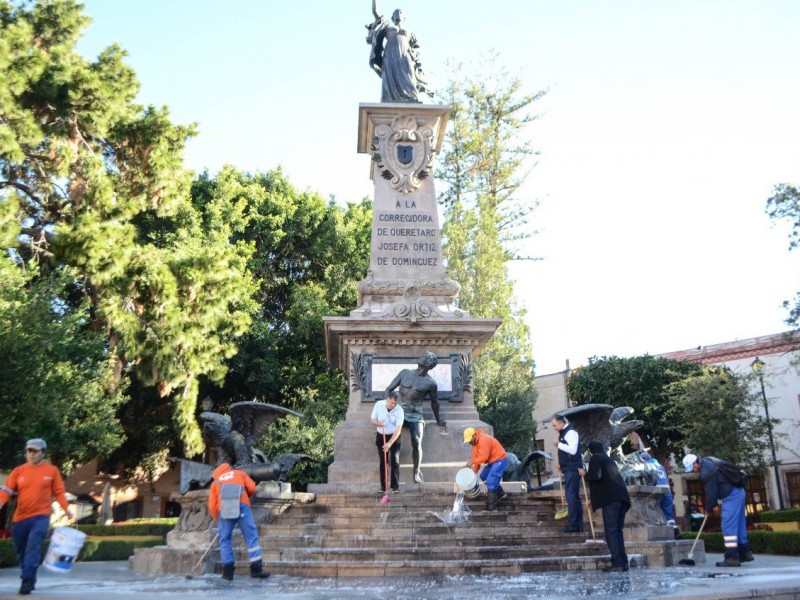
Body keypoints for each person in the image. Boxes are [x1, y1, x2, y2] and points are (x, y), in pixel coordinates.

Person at [0, 438, 74, 595]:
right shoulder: (18, 471)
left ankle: (26, 580)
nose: (31, 454)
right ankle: (30, 576)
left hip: (41, 517)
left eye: (35, 451)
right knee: (21, 549)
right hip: (20, 518)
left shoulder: (52, 471)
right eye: (28, 450)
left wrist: (66, 509)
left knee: (33, 546)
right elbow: (6, 490)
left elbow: (59, 492)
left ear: (43, 453)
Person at [385, 351, 447, 483]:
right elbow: (389, 389)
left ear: (428, 363)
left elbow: (434, 403)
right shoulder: (405, 373)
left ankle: (416, 472)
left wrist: (438, 420)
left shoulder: (431, 383)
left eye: (424, 356)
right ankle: (391, 467)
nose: (421, 356)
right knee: (393, 438)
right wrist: (386, 409)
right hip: (399, 411)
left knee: (417, 440)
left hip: (415, 413)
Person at [683, 453, 753, 567]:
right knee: (739, 524)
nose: (693, 471)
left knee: (728, 524)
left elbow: (712, 494)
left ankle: (731, 557)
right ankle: (745, 553)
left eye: (693, 467)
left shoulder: (706, 472)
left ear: (696, 462)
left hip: (731, 496)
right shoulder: (708, 460)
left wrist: (708, 508)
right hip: (739, 491)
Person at [208, 462, 270, 580]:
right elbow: (252, 487)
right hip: (242, 505)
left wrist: (219, 519)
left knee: (225, 539)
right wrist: (247, 496)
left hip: (224, 510)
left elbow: (212, 505)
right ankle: (256, 570)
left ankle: (228, 572)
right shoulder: (240, 473)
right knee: (251, 536)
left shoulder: (215, 482)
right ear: (229, 468)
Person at [365, 2, 433, 102]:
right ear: (392, 17)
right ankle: (389, 98)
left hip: (405, 54)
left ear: (404, 17)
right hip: (390, 55)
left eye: (400, 12)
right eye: (395, 12)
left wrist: (415, 55)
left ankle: (411, 98)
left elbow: (417, 47)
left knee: (410, 76)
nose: (398, 13)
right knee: (390, 78)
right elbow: (375, 12)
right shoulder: (388, 27)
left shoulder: (409, 32)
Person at [582, 441, 631, 573]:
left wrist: (584, 474)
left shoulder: (595, 458)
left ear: (591, 451)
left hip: (612, 501)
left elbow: (596, 476)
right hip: (622, 499)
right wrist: (594, 500)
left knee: (611, 532)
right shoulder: (608, 460)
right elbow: (606, 482)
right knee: (617, 532)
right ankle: (623, 562)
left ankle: (617, 563)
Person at [551, 414, 584, 533]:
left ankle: (574, 525)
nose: (554, 428)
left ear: (560, 423)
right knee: (573, 496)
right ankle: (577, 525)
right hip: (568, 467)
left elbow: (573, 450)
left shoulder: (570, 432)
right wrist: (562, 463)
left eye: (555, 425)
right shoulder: (564, 433)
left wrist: (558, 444)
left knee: (571, 496)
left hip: (572, 468)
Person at [463, 427, 509, 511]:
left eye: (470, 440)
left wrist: (472, 461)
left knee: (491, 481)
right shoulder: (474, 444)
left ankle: (492, 508)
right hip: (493, 462)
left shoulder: (483, 439)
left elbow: (484, 457)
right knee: (483, 476)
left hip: (500, 459)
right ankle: (501, 494)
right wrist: (473, 473)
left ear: (474, 435)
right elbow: (477, 459)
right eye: (468, 441)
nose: (469, 442)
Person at [370, 390, 405, 493]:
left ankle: (395, 487)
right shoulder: (379, 405)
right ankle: (383, 487)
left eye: (395, 403)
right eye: (392, 402)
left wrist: (390, 443)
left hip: (394, 437)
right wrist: (379, 423)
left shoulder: (399, 410)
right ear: (388, 399)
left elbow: (398, 429)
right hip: (381, 436)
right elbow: (372, 421)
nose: (393, 405)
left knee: (395, 461)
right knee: (383, 461)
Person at [641, 451, 680, 538]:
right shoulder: (660, 466)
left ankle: (659, 535)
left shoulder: (648, 466)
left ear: (644, 459)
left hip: (657, 493)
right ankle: (676, 533)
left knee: (653, 513)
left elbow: (649, 480)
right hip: (668, 493)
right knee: (668, 514)